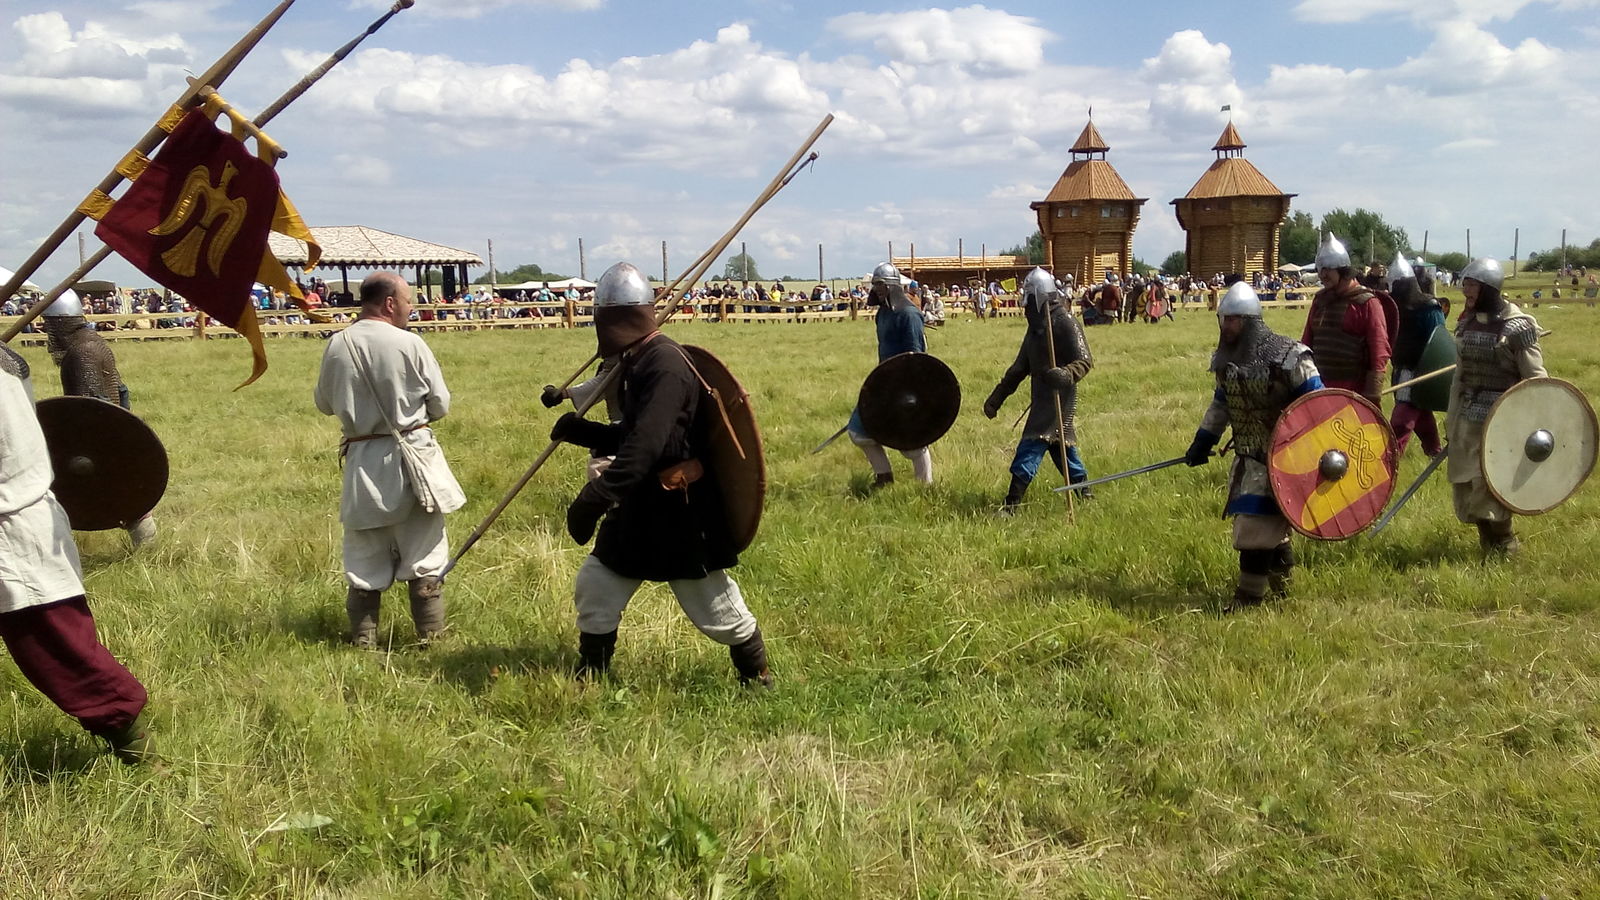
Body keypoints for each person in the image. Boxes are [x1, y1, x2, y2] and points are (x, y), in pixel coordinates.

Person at [548, 261, 771, 686]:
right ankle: (591, 674)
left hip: (677, 510)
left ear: (612, 318)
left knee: (714, 607)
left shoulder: (664, 364)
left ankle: (756, 674)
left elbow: (647, 448)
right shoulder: (639, 360)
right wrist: (583, 431)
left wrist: (594, 498)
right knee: (597, 585)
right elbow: (639, 436)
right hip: (639, 505)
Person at [0, 345, 154, 763]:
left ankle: (136, 747)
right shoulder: (7, 359)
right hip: (24, 512)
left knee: (57, 648)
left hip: (11, 525)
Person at [314, 272, 464, 649]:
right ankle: (431, 642)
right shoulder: (410, 344)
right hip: (412, 460)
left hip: (363, 462)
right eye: (409, 300)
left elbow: (324, 404)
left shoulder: (337, 345)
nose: (412, 308)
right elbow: (440, 406)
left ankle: (364, 644)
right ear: (390, 303)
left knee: (364, 558)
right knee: (425, 554)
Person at [1186, 282, 1325, 612]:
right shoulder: (1228, 362)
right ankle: (1282, 590)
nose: (1225, 326)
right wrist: (1203, 441)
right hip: (1248, 459)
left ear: (1248, 320)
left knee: (1254, 527)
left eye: (1231, 320)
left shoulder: (1289, 356)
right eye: (1223, 319)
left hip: (1286, 457)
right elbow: (1222, 405)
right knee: (1266, 526)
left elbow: (1319, 404)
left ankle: (1249, 599)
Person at [39, 291, 158, 547]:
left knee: (64, 487)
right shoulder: (94, 341)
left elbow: (89, 407)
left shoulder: (81, 353)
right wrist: (126, 422)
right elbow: (121, 390)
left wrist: (110, 432)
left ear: (59, 322)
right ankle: (147, 547)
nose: (49, 333)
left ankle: (53, 548)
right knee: (124, 489)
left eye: (50, 325)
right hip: (110, 427)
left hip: (96, 436)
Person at [1445, 257, 1545, 555]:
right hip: (1467, 417)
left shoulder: (1517, 327)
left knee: (1491, 486)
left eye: (1473, 286)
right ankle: (1486, 543)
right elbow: (1458, 378)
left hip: (1503, 419)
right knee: (1466, 484)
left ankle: (1505, 541)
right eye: (1465, 286)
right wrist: (1452, 420)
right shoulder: (1466, 324)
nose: (1467, 293)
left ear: (1489, 288)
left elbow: (1536, 380)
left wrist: (1536, 421)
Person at [984, 268, 1094, 514]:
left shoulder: (1065, 322)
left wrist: (1065, 374)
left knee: (1032, 444)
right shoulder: (1035, 328)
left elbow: (1085, 361)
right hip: (1042, 396)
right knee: (1061, 448)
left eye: (1029, 298)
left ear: (1040, 297)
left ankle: (1011, 504)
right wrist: (997, 397)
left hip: (1058, 398)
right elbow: (1019, 368)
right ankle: (1085, 492)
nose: (1025, 306)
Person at [848, 263, 933, 488]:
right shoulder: (883, 313)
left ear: (894, 286)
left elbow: (916, 357)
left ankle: (925, 485)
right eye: (875, 284)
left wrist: (910, 391)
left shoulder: (909, 314)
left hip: (907, 384)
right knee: (859, 431)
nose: (877, 289)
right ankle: (884, 478)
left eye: (882, 284)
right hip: (884, 383)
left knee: (912, 442)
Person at [1301, 234, 1390, 405]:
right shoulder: (1320, 301)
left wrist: (1372, 393)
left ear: (1343, 271)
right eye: (1321, 270)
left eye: (1328, 270)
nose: (1323, 275)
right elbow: (1307, 343)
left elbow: (1379, 350)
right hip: (1319, 390)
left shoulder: (1366, 302)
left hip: (1353, 392)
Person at [1385, 253, 1446, 458]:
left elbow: (1438, 339)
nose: (1391, 290)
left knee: (1403, 418)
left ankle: (1389, 459)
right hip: (1402, 367)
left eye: (1394, 285)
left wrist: (1432, 367)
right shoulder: (1395, 309)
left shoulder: (1428, 307)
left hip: (1421, 368)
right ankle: (1434, 451)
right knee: (1421, 412)